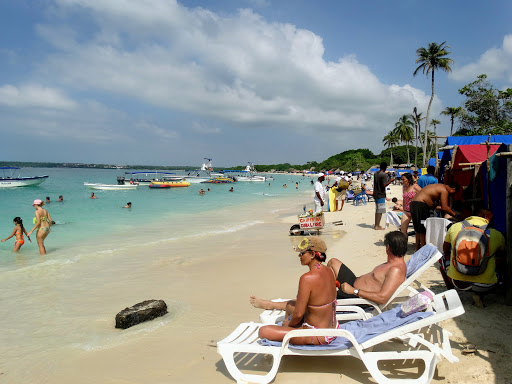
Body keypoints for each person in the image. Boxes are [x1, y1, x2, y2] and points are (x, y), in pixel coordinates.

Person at [251, 237, 338, 345]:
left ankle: (291, 329)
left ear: (312, 254)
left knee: (263, 331)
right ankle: (287, 322)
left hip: (317, 335)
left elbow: (298, 314)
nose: (299, 256)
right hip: (333, 328)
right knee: (291, 305)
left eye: (302, 253)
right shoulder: (328, 271)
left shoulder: (307, 278)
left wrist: (289, 324)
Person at [440, 209, 505, 308]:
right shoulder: (496, 234)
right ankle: (480, 295)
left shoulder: (455, 227)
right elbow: (502, 253)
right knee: (501, 261)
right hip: (485, 286)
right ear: (486, 218)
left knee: (442, 258)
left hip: (458, 282)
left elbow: (445, 249)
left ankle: (451, 292)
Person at [327, 231, 408, 303]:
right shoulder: (392, 263)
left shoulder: (396, 270)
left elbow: (382, 298)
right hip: (353, 284)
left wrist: (354, 291)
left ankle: (329, 298)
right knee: (333, 262)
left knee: (324, 294)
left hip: (357, 296)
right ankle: (330, 293)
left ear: (388, 247)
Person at [410, 183, 459, 250]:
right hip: (420, 205)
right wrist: (455, 215)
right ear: (453, 189)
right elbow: (445, 207)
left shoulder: (438, 186)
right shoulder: (444, 190)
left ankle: (418, 248)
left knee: (418, 228)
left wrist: (441, 208)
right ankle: (423, 249)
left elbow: (433, 206)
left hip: (414, 203)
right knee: (422, 228)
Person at [373, 162, 395, 230]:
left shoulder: (375, 173)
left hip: (376, 193)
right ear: (385, 167)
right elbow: (384, 185)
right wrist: (390, 181)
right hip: (381, 194)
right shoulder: (383, 175)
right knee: (380, 210)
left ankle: (377, 224)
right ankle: (377, 225)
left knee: (377, 210)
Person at [400, 173, 422, 238]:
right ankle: (404, 246)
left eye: (403, 179)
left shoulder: (415, 187)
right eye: (401, 180)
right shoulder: (404, 187)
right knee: (403, 229)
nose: (402, 181)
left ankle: (417, 245)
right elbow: (404, 198)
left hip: (414, 211)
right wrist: (403, 207)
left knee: (416, 230)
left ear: (409, 179)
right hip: (406, 210)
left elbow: (423, 195)